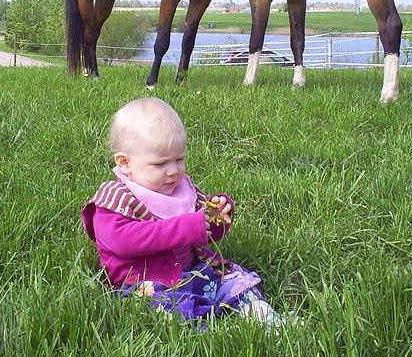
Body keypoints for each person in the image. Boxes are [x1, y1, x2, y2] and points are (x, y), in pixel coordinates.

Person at [80, 97, 280, 327]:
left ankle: (264, 317)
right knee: (167, 305)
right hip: (146, 280)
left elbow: (208, 234)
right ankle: (205, 330)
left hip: (194, 270)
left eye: (180, 159)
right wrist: (187, 227)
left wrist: (218, 216)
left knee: (234, 281)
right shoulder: (115, 199)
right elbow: (123, 242)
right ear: (125, 162)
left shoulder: (183, 190)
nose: (173, 171)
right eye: (160, 164)